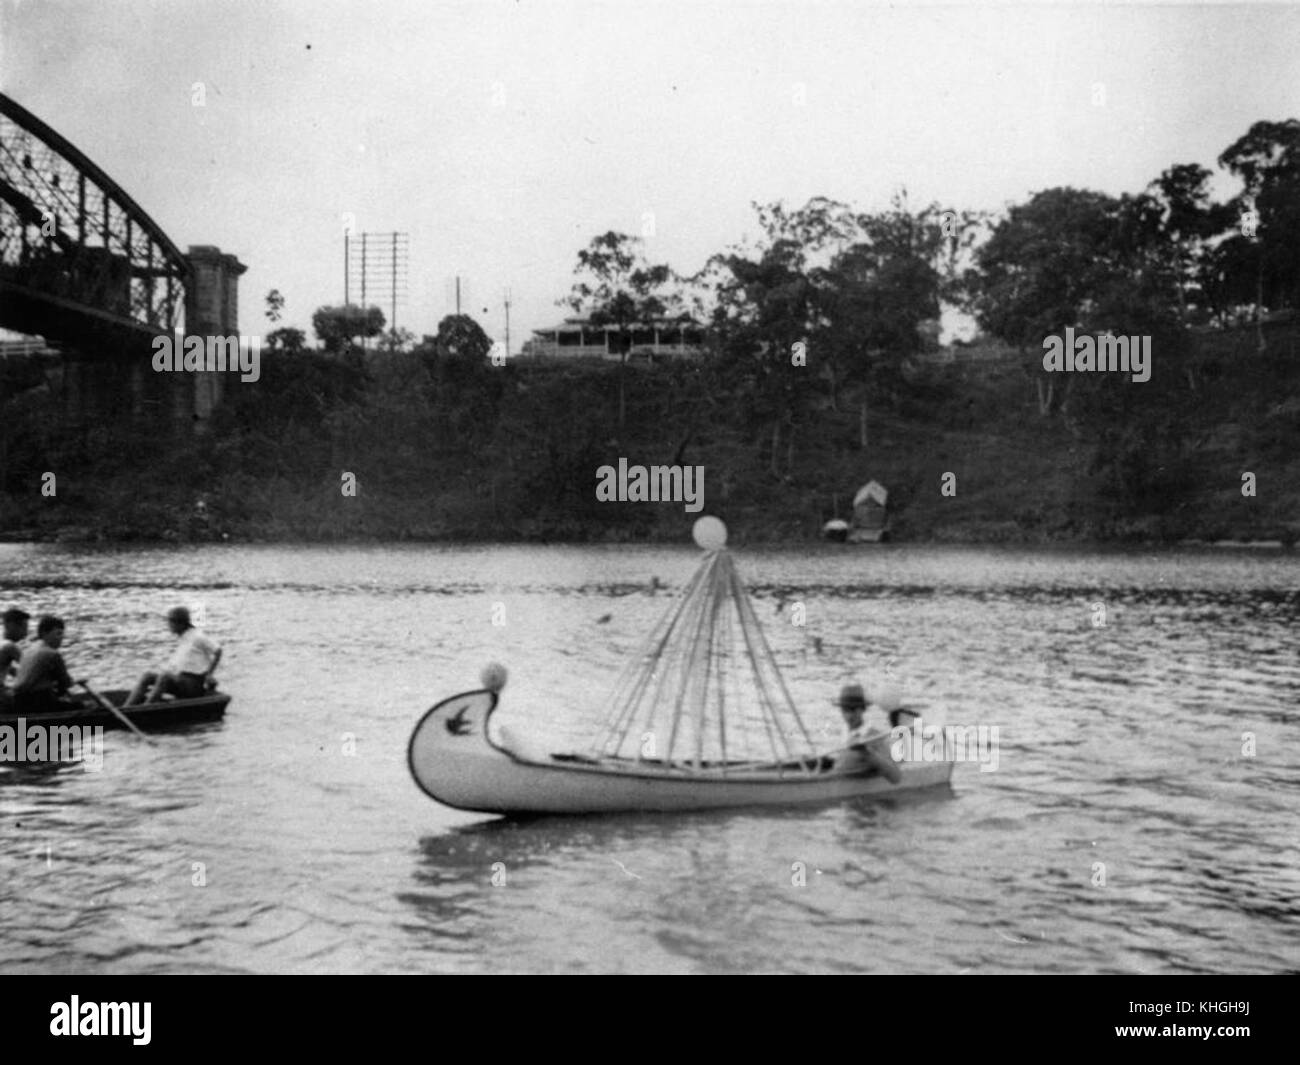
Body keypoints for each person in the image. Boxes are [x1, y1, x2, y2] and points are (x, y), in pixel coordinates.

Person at [124, 606, 221, 706]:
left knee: (165, 677)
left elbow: (218, 650)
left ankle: (145, 708)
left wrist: (210, 674)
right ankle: (127, 707)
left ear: (181, 624)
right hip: (182, 681)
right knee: (148, 676)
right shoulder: (183, 638)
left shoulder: (197, 637)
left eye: (171, 622)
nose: (169, 625)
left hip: (193, 686)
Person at [11, 615, 77, 714]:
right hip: (38, 703)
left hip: (18, 701)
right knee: (84, 706)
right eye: (58, 634)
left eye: (62, 634)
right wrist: (74, 682)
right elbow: (66, 682)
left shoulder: (29, 649)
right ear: (44, 633)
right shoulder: (52, 653)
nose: (61, 638)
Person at [1, 607, 29, 680]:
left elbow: (10, 669)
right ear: (12, 626)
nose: (26, 634)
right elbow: (31, 666)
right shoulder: (9, 647)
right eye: (24, 628)